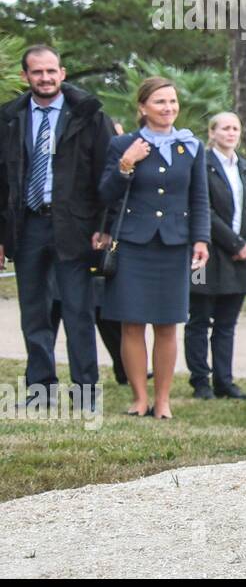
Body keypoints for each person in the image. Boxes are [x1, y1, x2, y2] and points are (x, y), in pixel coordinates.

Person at [0, 44, 115, 414]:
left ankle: (86, 393)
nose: (45, 78)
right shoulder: (10, 117)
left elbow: (106, 174)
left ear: (62, 73)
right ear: (25, 77)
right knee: (34, 313)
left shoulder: (89, 114)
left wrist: (104, 226)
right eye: (37, 72)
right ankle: (40, 391)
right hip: (28, 225)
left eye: (51, 71)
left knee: (78, 311)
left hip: (75, 227)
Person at [100, 77, 210, 419]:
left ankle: (162, 401)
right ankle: (138, 398)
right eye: (160, 102)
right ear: (143, 107)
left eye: (173, 102)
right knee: (131, 323)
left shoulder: (191, 146)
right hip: (133, 243)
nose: (169, 108)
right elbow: (105, 194)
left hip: (174, 244)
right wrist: (126, 165)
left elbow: (200, 198)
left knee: (167, 324)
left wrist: (201, 238)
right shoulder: (123, 144)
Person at [185, 112, 246, 400]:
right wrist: (234, 243)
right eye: (225, 128)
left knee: (227, 323)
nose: (231, 133)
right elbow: (203, 209)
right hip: (207, 253)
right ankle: (200, 381)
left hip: (242, 257)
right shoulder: (202, 165)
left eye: (236, 128)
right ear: (212, 133)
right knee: (198, 319)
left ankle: (224, 380)